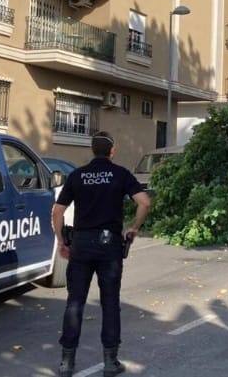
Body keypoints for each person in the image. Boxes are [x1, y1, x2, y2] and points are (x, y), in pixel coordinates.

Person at [51, 131, 151, 377]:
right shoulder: (121, 174)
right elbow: (145, 202)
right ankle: (110, 361)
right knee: (110, 303)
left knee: (75, 301)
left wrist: (62, 240)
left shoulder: (77, 175)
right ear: (112, 151)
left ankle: (66, 363)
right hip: (109, 246)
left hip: (82, 245)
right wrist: (134, 228)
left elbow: (57, 211)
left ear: (92, 150)